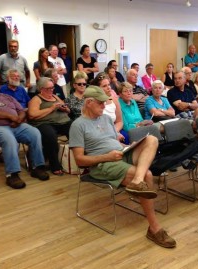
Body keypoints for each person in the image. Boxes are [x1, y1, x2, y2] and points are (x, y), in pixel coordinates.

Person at [69, 85, 176, 248]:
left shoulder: (105, 118)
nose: (104, 106)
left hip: (120, 153)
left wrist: (129, 146)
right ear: (89, 102)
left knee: (152, 139)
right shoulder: (78, 125)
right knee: (148, 175)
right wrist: (107, 156)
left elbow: (113, 140)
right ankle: (154, 229)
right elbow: (79, 160)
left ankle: (137, 181)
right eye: (100, 103)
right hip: (103, 163)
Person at [0, 75, 49, 189]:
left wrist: (19, 119)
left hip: (16, 125)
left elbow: (21, 110)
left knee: (34, 132)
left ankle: (37, 167)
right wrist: (11, 117)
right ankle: (12, 174)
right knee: (8, 138)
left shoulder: (7, 97)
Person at [27, 77, 72, 176]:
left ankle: (76, 159)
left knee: (75, 129)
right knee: (50, 136)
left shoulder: (55, 97)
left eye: (52, 88)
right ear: (41, 89)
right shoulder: (36, 99)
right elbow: (32, 115)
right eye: (49, 88)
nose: (52, 90)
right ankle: (55, 165)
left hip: (63, 122)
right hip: (45, 123)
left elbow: (68, 110)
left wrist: (64, 109)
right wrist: (51, 108)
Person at [90, 73, 124, 141]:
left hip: (115, 130)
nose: (109, 88)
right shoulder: (92, 103)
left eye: (109, 84)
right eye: (105, 86)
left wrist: (114, 132)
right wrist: (112, 134)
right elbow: (94, 125)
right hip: (99, 134)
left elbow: (119, 121)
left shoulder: (113, 100)